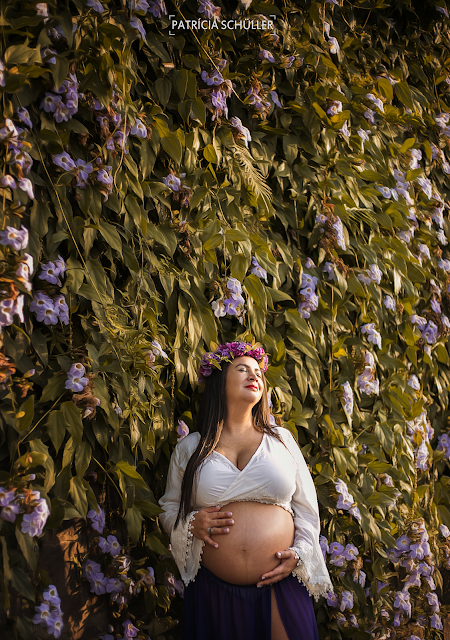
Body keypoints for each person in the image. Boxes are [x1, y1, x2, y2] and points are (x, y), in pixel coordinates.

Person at [158, 341, 333, 640]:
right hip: (214, 590)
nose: (254, 376)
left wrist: (300, 554)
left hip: (281, 586)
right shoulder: (190, 448)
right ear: (219, 380)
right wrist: (190, 525)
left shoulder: (281, 440)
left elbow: (306, 508)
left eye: (258, 372)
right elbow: (168, 509)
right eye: (242, 369)